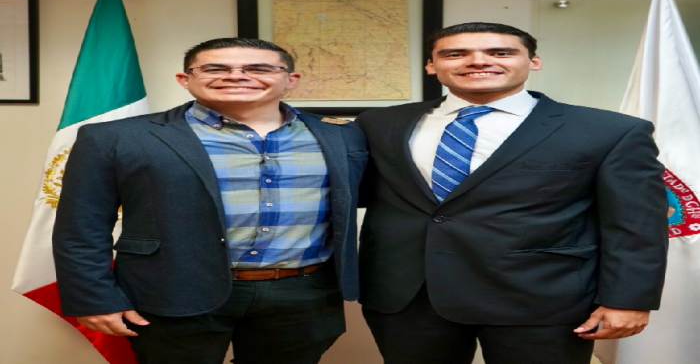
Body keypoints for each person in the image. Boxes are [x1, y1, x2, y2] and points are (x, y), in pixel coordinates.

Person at [355, 22, 668, 364]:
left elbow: (636, 222)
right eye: (455, 54)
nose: (478, 61)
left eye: (500, 52)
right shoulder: (379, 124)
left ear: (534, 61)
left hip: (543, 297)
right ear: (432, 65)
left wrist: (628, 299)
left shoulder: (610, 131)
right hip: (409, 296)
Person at [53, 38, 368, 364]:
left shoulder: (342, 135)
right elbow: (81, 227)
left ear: (291, 80)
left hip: (303, 293)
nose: (236, 76)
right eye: (216, 68)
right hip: (172, 288)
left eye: (258, 68)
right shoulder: (114, 137)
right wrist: (94, 298)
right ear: (184, 79)